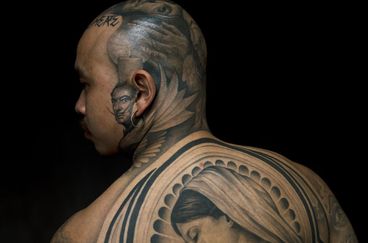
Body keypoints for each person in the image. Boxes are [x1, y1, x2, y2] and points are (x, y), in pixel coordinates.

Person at [51, 0, 357, 242]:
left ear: (140, 92)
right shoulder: (309, 190)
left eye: (86, 83)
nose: (79, 106)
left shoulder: (85, 233)